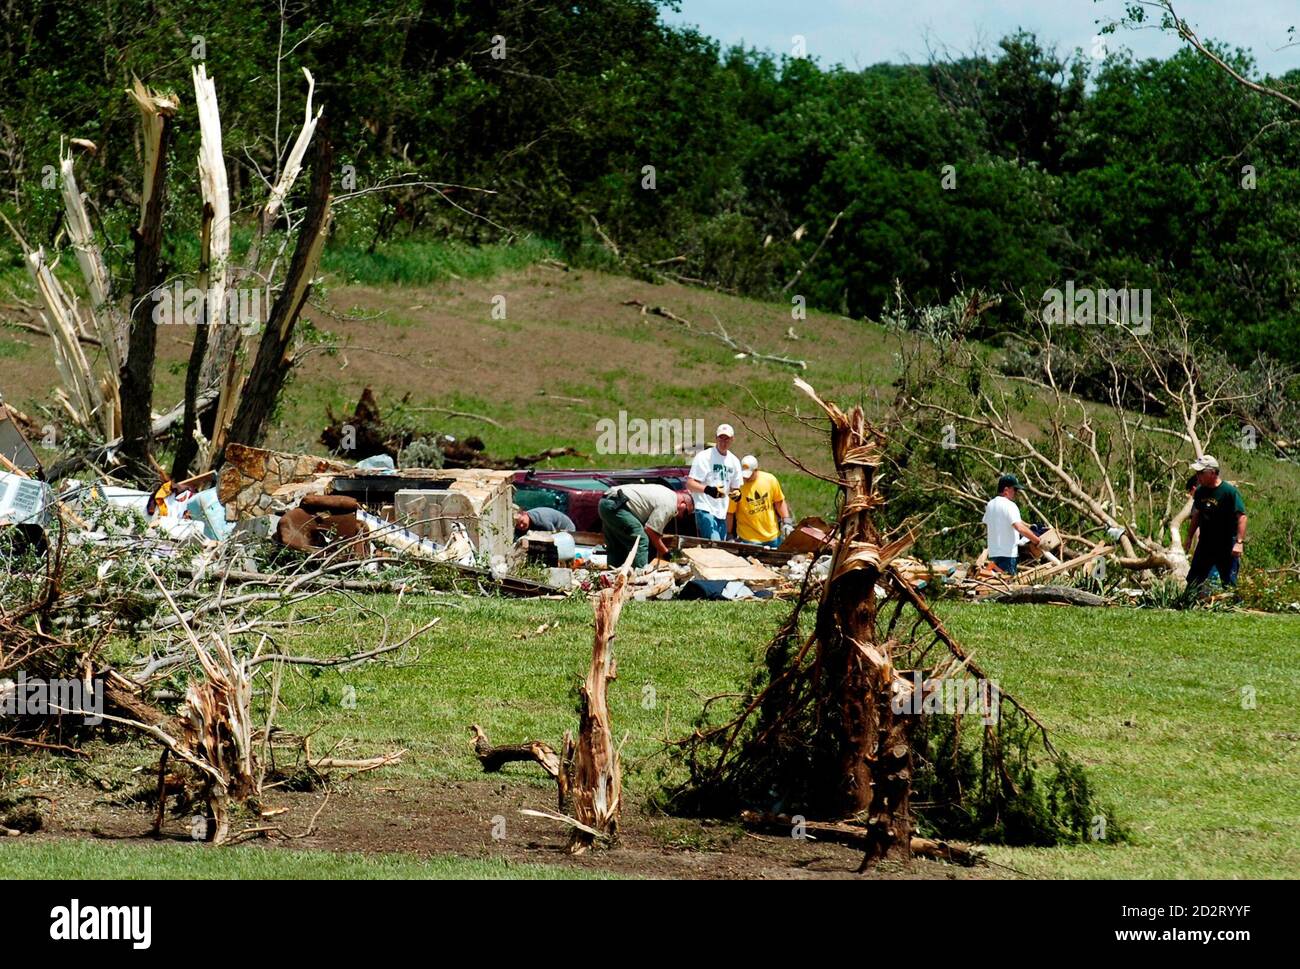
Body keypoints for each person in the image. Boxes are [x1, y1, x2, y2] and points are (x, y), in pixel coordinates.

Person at [1185, 455, 1247, 592]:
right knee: (1193, 580)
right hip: (1206, 543)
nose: (1198, 476)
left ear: (1212, 473)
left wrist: (1239, 542)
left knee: (1229, 582)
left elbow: (1242, 517)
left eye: (1201, 472)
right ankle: (1187, 605)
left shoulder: (1229, 492)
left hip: (1226, 545)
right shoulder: (1200, 492)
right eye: (1197, 472)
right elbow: (1197, 515)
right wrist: (1189, 537)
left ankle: (1234, 608)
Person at [598, 483, 692, 570]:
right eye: (686, 513)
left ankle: (612, 579)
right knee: (641, 540)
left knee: (615, 545)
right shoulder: (670, 504)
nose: (683, 517)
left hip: (606, 502)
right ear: (683, 504)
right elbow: (650, 531)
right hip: (618, 505)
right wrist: (667, 554)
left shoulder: (667, 493)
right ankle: (639, 580)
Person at [687, 424, 743, 541]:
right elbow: (690, 483)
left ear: (732, 439)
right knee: (715, 543)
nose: (723, 442)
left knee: (721, 546)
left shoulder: (734, 461)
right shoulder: (704, 457)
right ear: (716, 438)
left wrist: (737, 494)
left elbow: (735, 488)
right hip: (705, 508)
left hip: (722, 511)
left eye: (726, 438)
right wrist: (709, 490)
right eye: (720, 438)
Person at [727, 455, 793, 548]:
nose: (746, 478)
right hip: (749, 539)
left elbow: (779, 501)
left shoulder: (770, 480)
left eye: (749, 474)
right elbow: (730, 512)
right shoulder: (737, 486)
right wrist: (729, 534)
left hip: (773, 536)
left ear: (756, 470)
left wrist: (787, 522)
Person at [982, 474, 1040, 576]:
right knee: (1008, 583)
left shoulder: (990, 505)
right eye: (1015, 489)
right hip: (1008, 555)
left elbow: (991, 523)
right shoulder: (1010, 505)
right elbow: (1019, 527)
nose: (1016, 493)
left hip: (994, 554)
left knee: (996, 584)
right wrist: (1036, 540)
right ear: (1006, 490)